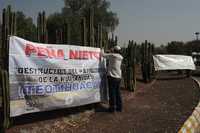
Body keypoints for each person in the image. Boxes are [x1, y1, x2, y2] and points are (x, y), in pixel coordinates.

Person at [101, 46, 123, 112]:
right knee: (117, 93)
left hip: (112, 77)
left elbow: (102, 55)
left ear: (114, 50)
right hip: (118, 77)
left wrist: (102, 49)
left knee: (112, 93)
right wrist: (110, 51)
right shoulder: (120, 57)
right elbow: (110, 54)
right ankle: (119, 107)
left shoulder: (113, 55)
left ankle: (112, 108)